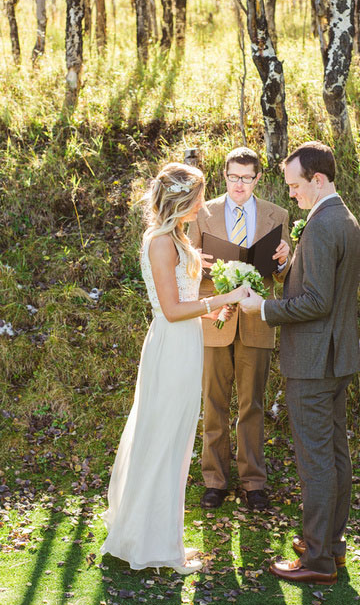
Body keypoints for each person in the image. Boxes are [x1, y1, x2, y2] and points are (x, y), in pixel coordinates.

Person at [101, 163, 247, 574]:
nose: (204, 203)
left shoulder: (177, 238)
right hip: (170, 349)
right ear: (183, 199)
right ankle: (153, 545)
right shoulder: (161, 243)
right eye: (199, 196)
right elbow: (168, 310)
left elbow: (182, 304)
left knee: (176, 441)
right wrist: (220, 300)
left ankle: (162, 537)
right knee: (164, 440)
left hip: (186, 342)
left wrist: (209, 315)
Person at [240, 141, 360, 584]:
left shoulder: (324, 226)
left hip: (313, 362)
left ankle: (317, 561)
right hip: (336, 357)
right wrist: (291, 263)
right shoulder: (340, 218)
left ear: (318, 179)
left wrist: (265, 310)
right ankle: (330, 543)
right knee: (333, 455)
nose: (290, 193)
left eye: (295, 186)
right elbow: (321, 285)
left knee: (315, 463)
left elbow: (317, 301)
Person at [188, 147, 291, 511]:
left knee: (252, 405)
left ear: (258, 178)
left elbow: (282, 274)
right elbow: (186, 266)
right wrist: (196, 263)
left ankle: (253, 483)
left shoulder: (278, 215)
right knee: (214, 404)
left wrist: (284, 259)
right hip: (215, 319)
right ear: (224, 175)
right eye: (233, 177)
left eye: (247, 178)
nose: (239, 184)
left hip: (256, 320)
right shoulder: (203, 213)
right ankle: (214, 480)